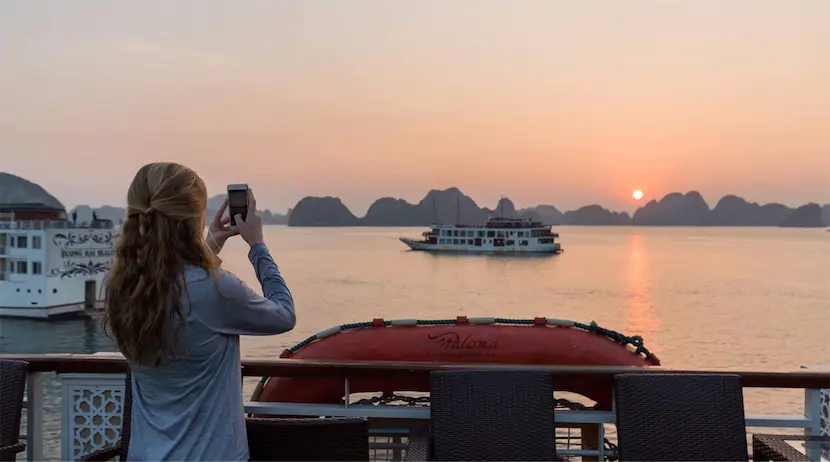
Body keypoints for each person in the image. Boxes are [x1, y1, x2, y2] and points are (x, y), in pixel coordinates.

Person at [102, 162, 295, 461]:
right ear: (195, 218)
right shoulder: (216, 289)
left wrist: (211, 245)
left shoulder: (123, 287)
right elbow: (284, 315)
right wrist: (257, 245)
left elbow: (173, 279)